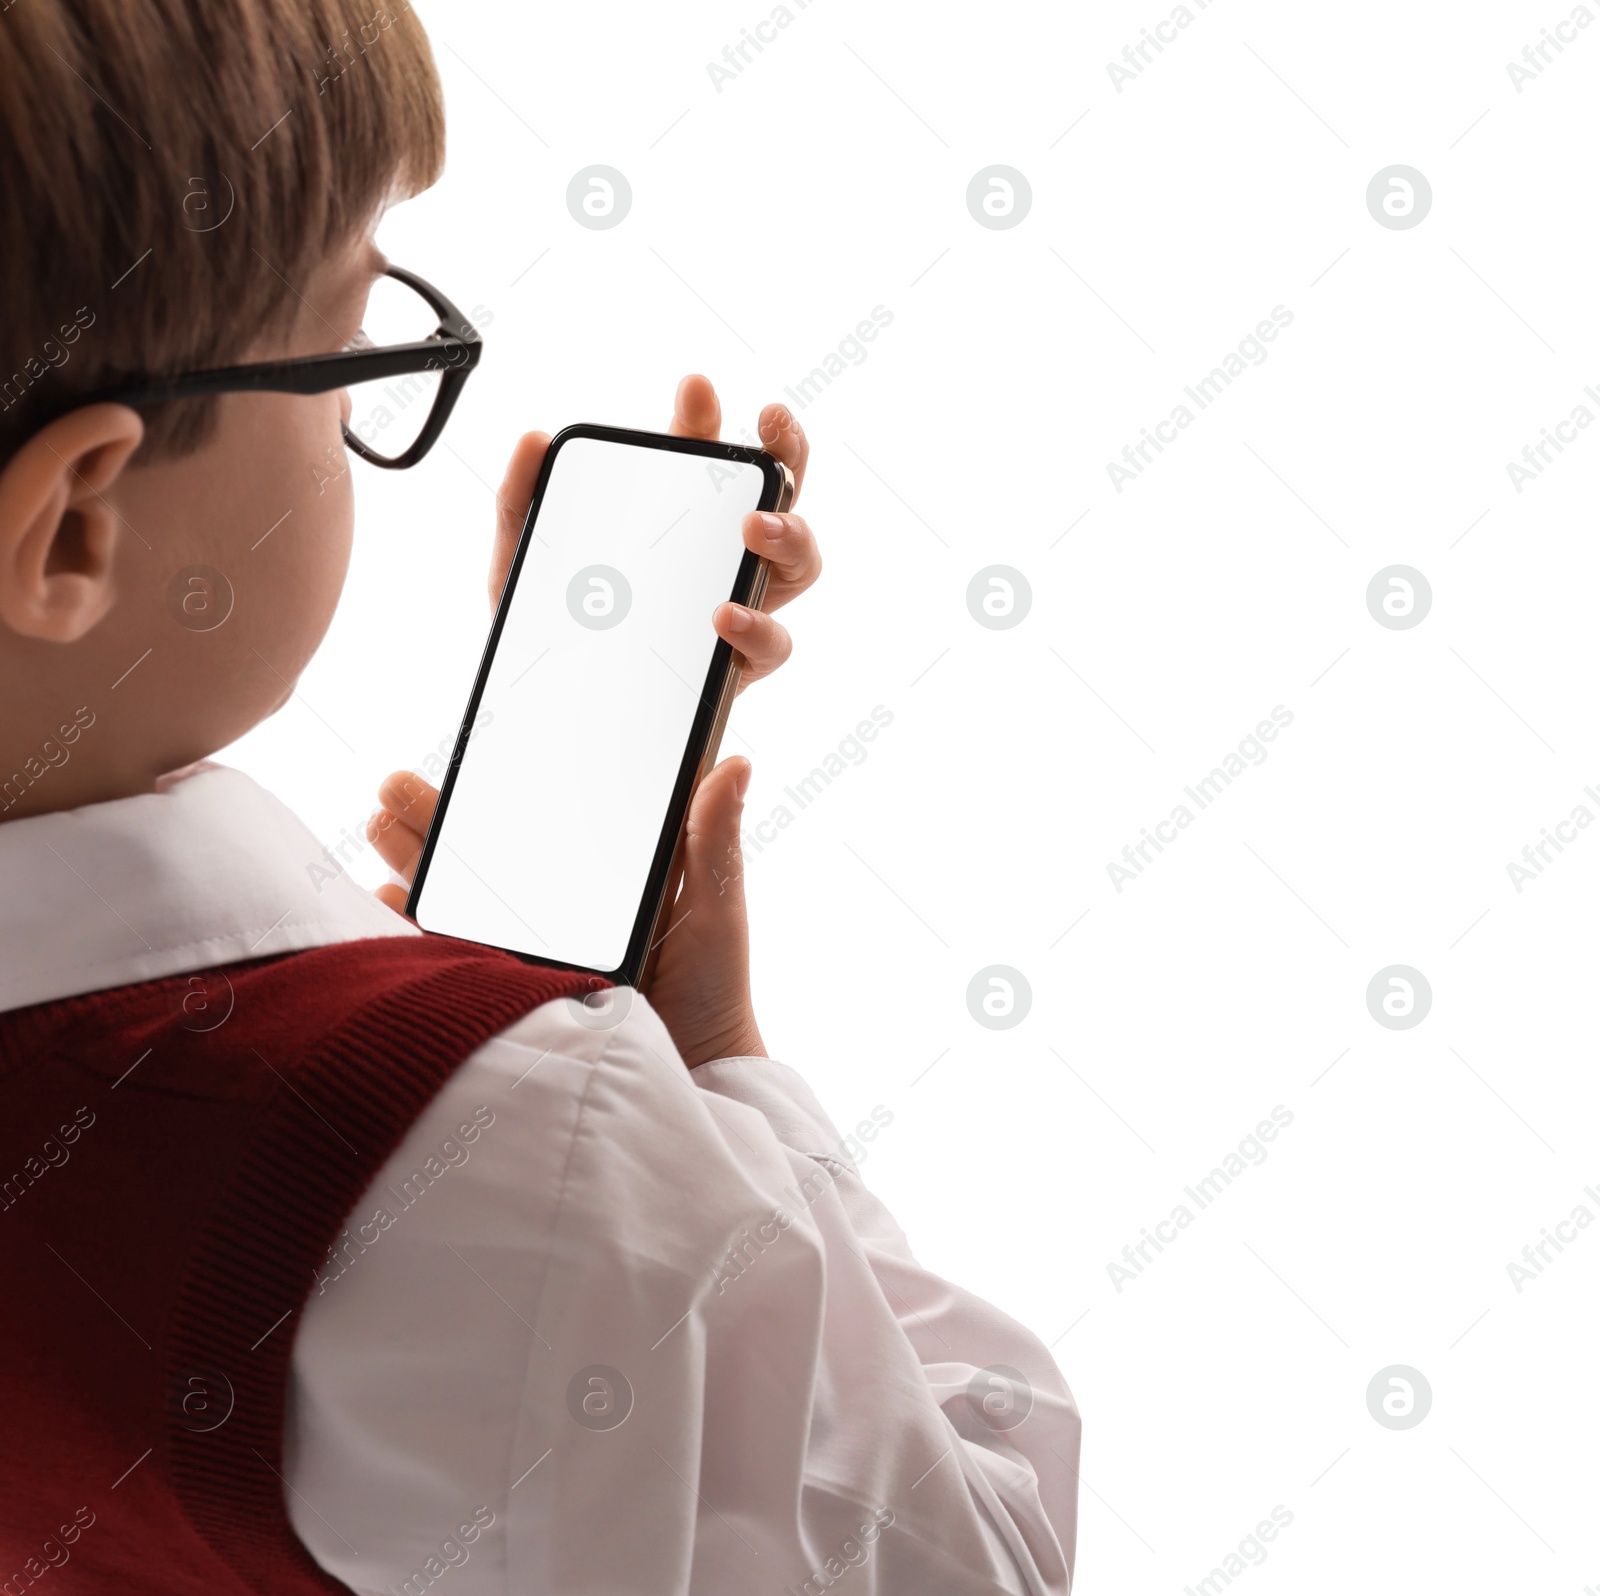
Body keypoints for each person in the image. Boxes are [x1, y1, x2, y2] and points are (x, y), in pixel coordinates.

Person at [0, 2, 1081, 1591]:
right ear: (80, 527)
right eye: (357, 359)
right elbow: (974, 1551)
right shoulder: (503, 1144)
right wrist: (706, 1081)